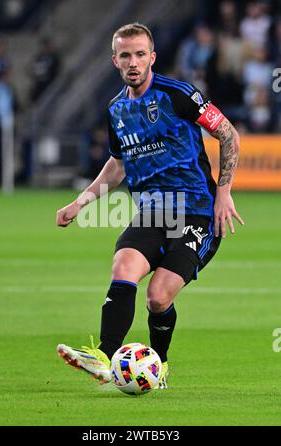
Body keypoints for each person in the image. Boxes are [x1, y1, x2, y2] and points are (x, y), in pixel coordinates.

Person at [56, 23, 244, 389]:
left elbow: (227, 134)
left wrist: (224, 191)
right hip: (155, 211)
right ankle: (104, 357)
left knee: (158, 298)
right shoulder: (117, 110)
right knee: (123, 265)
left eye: (140, 54)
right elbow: (118, 164)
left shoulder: (179, 95)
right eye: (125, 55)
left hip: (199, 213)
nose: (133, 62)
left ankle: (161, 366)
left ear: (152, 58)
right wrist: (81, 203)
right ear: (115, 61)